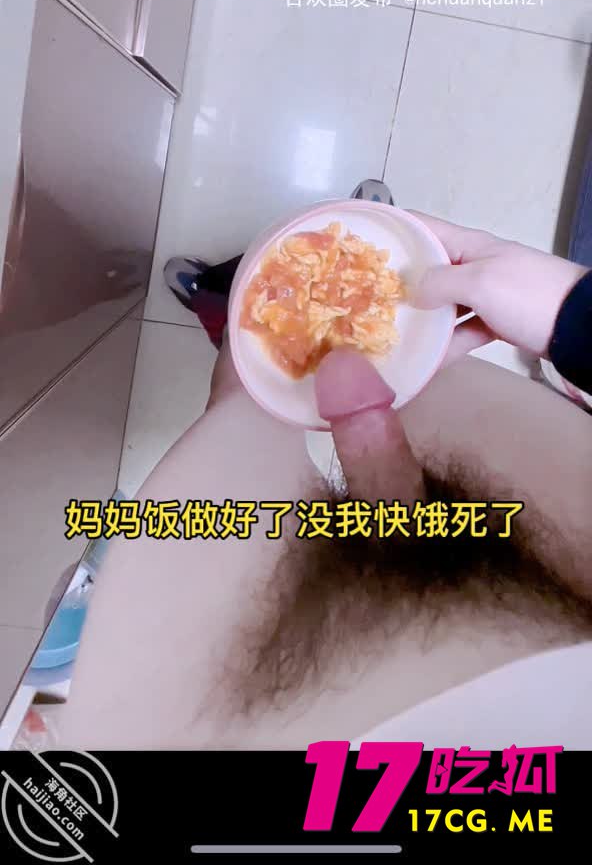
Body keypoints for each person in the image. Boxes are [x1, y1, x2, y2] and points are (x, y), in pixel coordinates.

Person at [57, 194, 592, 750]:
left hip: (291, 711)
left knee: (242, 414)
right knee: (433, 385)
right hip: (560, 545)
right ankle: (327, 299)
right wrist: (575, 316)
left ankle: (230, 322)